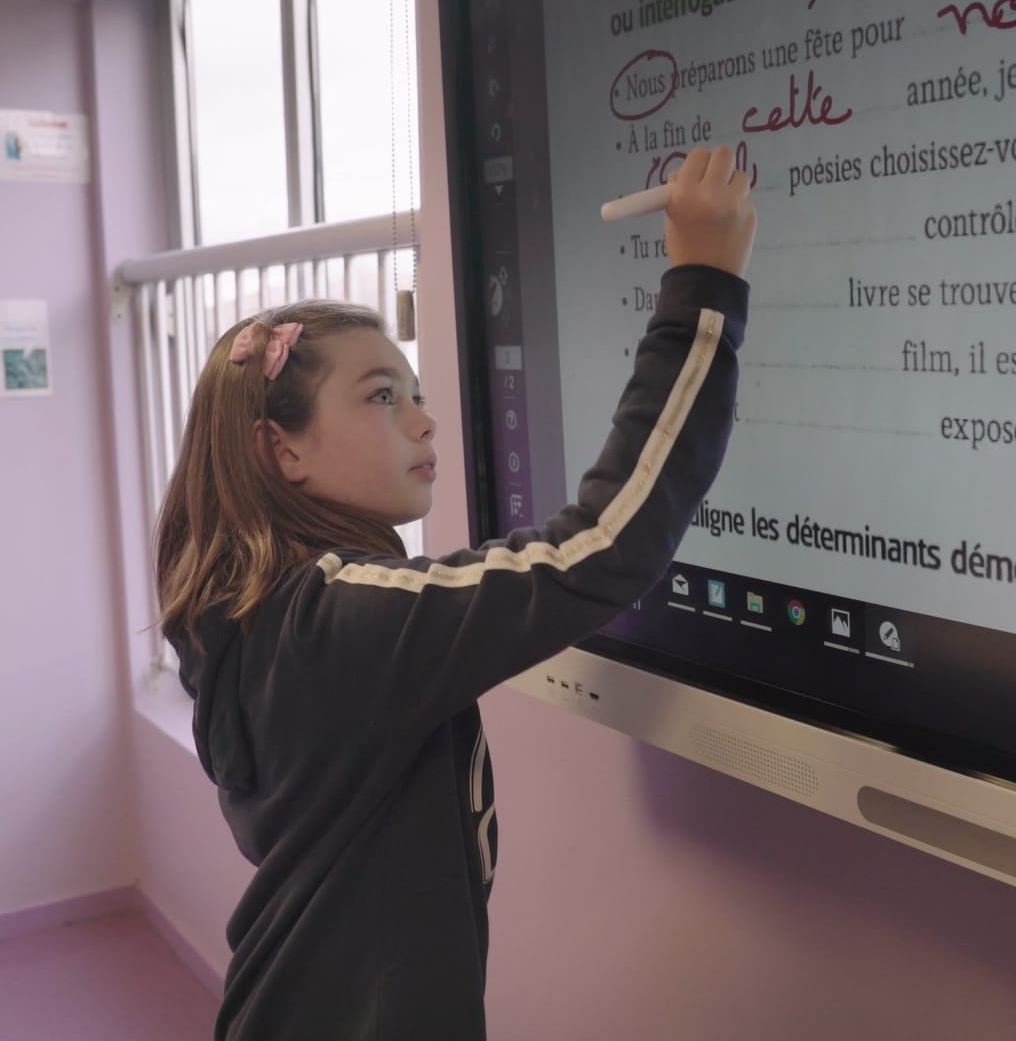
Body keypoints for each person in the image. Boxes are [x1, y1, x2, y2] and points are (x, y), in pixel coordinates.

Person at [154, 145, 755, 1039]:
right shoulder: (335, 619)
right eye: (381, 396)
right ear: (282, 451)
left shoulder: (257, 614)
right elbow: (596, 550)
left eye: (418, 391)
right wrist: (702, 287)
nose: (424, 418)